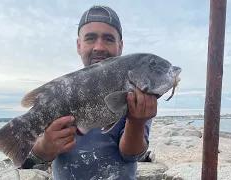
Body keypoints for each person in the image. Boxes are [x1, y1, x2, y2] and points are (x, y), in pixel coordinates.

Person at [28, 5, 157, 180]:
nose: (99, 47)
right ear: (79, 45)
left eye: (108, 39)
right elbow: (39, 154)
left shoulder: (138, 91)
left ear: (121, 46)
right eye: (90, 38)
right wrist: (45, 146)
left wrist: (136, 121)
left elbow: (131, 154)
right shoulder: (62, 92)